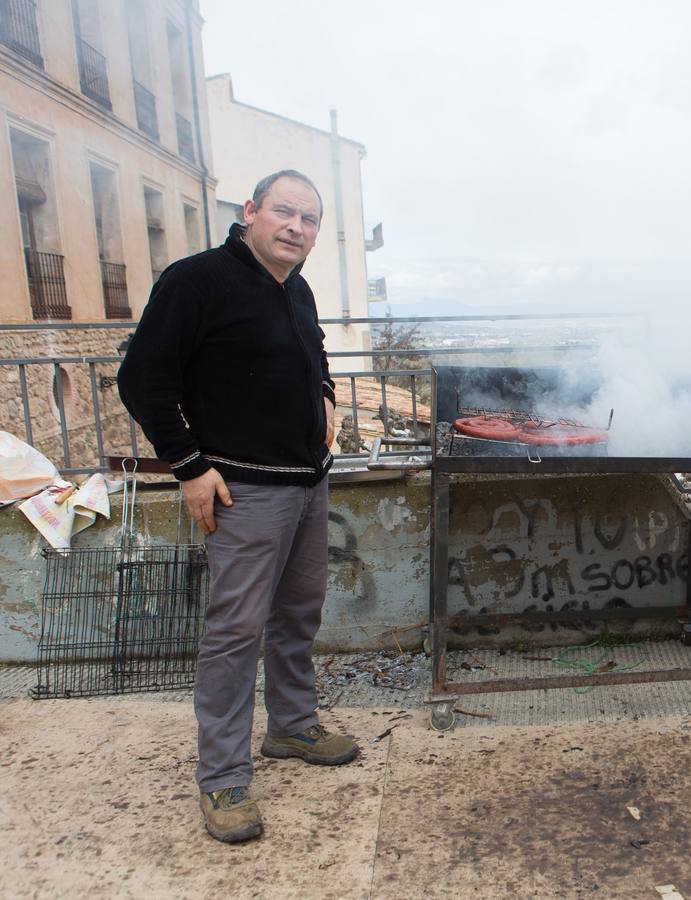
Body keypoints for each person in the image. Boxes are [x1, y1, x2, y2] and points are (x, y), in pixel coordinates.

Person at [119, 170, 358, 844]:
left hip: (309, 482)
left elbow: (313, 355)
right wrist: (190, 465)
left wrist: (327, 394)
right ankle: (222, 776)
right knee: (234, 633)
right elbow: (142, 378)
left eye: (308, 219)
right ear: (249, 211)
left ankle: (291, 726)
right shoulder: (196, 281)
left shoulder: (297, 286)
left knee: (298, 615)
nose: (297, 228)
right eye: (284, 212)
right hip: (244, 490)